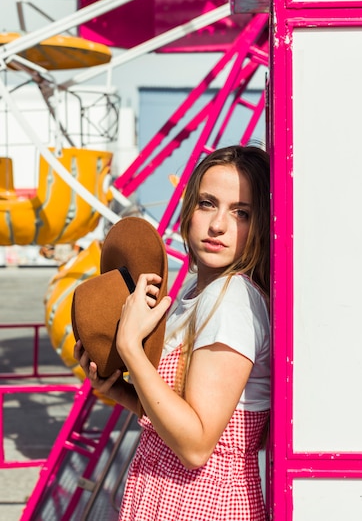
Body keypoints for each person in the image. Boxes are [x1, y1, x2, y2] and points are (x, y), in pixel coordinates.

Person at [74, 144, 271, 521]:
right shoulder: (200, 291)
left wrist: (130, 347)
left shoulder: (231, 300)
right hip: (171, 494)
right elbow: (177, 417)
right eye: (207, 203)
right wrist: (119, 390)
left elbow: (196, 446)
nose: (218, 225)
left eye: (241, 213)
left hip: (202, 501)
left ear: (260, 224)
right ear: (189, 210)